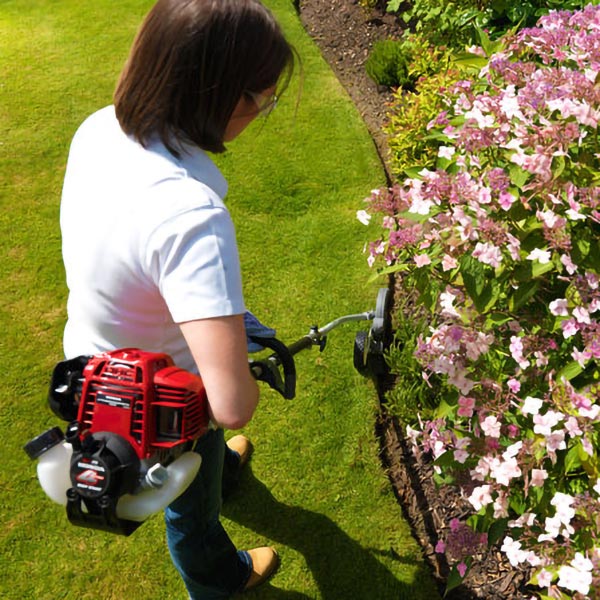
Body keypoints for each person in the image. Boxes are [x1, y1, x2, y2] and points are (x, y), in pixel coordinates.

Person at [59, 0, 296, 597]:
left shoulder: (100, 126)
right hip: (159, 400)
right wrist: (240, 370)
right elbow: (232, 403)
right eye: (260, 99)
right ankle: (219, 578)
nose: (259, 112)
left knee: (212, 454)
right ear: (219, 94)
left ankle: (221, 472)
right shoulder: (192, 217)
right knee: (191, 504)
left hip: (91, 356)